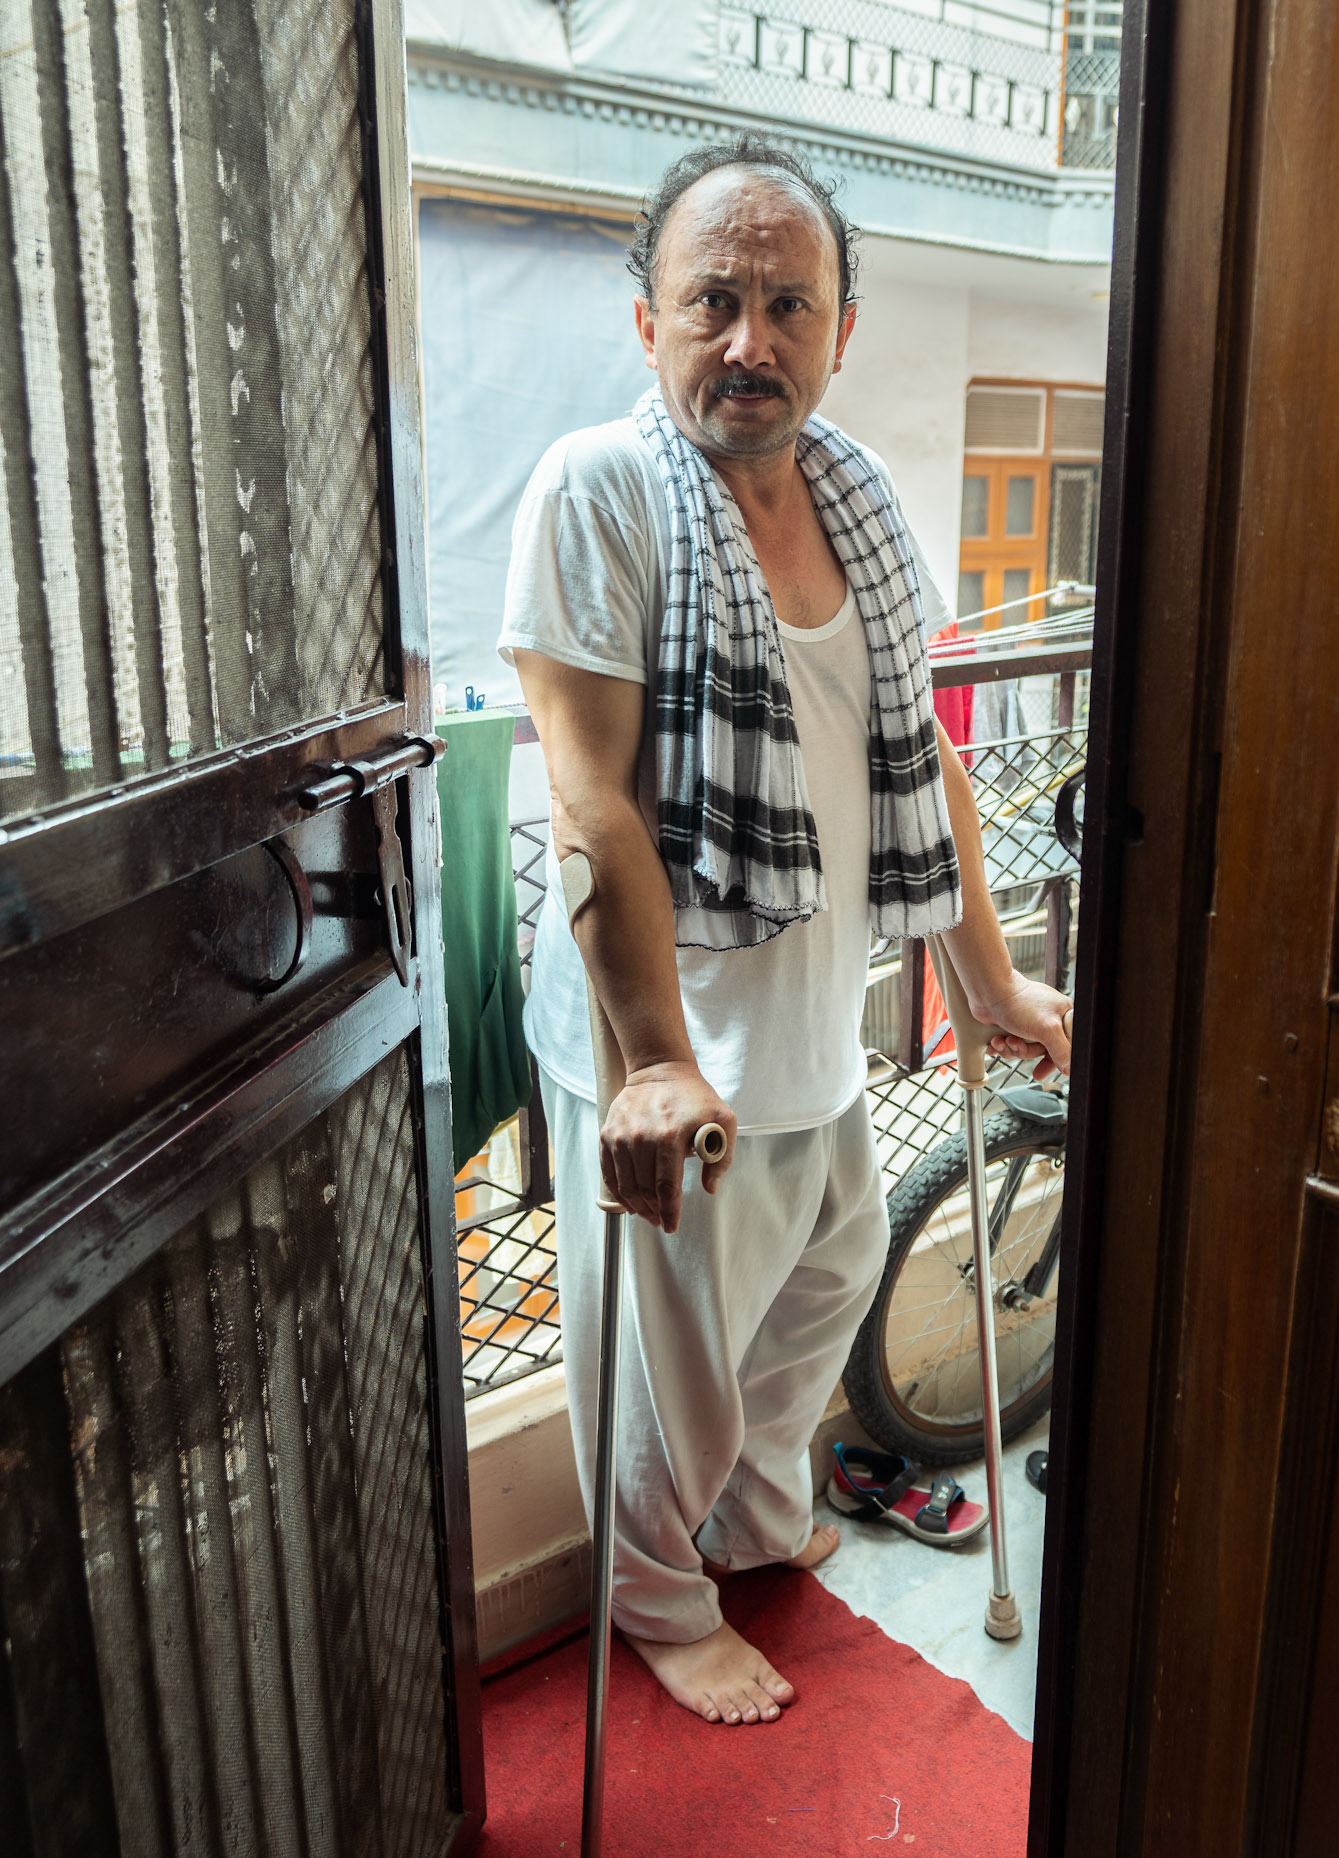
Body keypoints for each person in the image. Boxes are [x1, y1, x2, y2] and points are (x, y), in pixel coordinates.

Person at [499, 134, 1072, 1729]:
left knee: (825, 1284)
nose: (752, 340)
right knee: (664, 1354)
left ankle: (751, 1518)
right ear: (648, 323)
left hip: (821, 1001)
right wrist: (655, 1068)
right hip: (673, 1032)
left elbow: (923, 755)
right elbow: (592, 801)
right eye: (715, 301)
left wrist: (990, 971)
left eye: (789, 304)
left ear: (840, 328)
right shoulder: (599, 491)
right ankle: (660, 1602)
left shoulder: (861, 494)